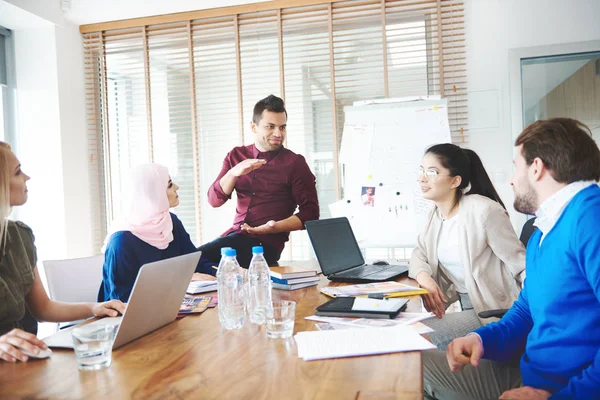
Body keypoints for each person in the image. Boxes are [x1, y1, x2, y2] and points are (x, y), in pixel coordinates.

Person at [423, 118, 600, 400]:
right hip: (533, 373)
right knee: (412, 364)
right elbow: (526, 313)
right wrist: (480, 339)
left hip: (568, 388)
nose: (511, 179)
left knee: (411, 368)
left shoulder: (590, 219)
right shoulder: (544, 231)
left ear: (537, 167)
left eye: (516, 166)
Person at [0, 142, 125, 363]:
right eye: (18, 172)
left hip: (28, 362)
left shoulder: (20, 236)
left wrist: (94, 308)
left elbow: (43, 308)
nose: (27, 177)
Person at [410, 144, 525, 350]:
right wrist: (423, 277)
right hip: (467, 305)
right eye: (421, 170)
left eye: (432, 172)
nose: (422, 178)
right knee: (413, 335)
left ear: (455, 181)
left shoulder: (483, 211)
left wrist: (536, 316)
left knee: (416, 338)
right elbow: (419, 253)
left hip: (494, 309)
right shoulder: (435, 216)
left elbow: (521, 265)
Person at [199, 94, 319, 268]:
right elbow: (214, 200)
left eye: (282, 127)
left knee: (192, 260)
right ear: (254, 127)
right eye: (270, 126)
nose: (278, 134)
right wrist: (234, 173)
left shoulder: (295, 163)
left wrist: (274, 227)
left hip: (265, 245)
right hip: (235, 236)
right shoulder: (236, 155)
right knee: (189, 260)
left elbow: (311, 214)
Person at [98, 163, 215, 302]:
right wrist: (183, 280)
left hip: (168, 305)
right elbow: (122, 300)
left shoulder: (171, 222)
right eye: (170, 185)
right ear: (152, 195)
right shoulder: (121, 242)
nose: (177, 187)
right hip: (125, 316)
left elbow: (196, 262)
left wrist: (225, 273)